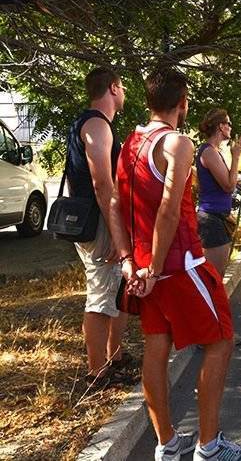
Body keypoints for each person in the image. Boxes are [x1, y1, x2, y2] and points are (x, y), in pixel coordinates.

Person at [109, 68, 241, 460]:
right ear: (183, 103)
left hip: (145, 265)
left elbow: (113, 204)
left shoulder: (131, 142)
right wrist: (155, 269)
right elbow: (168, 212)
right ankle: (208, 446)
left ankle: (167, 444)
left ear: (148, 100)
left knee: (156, 348)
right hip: (180, 264)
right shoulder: (178, 143)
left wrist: (131, 262)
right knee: (221, 342)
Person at [66, 66, 128, 385]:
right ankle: (97, 373)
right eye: (123, 87)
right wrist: (118, 234)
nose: (125, 94)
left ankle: (113, 357)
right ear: (114, 88)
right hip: (100, 223)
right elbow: (102, 183)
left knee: (113, 289)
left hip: (96, 221)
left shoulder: (87, 122)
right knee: (101, 295)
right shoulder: (97, 125)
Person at [196, 108, 241, 276]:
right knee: (214, 276)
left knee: (218, 274)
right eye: (229, 124)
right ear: (220, 126)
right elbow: (228, 186)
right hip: (212, 219)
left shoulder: (214, 151)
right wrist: (236, 156)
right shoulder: (209, 151)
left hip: (217, 216)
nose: (231, 127)